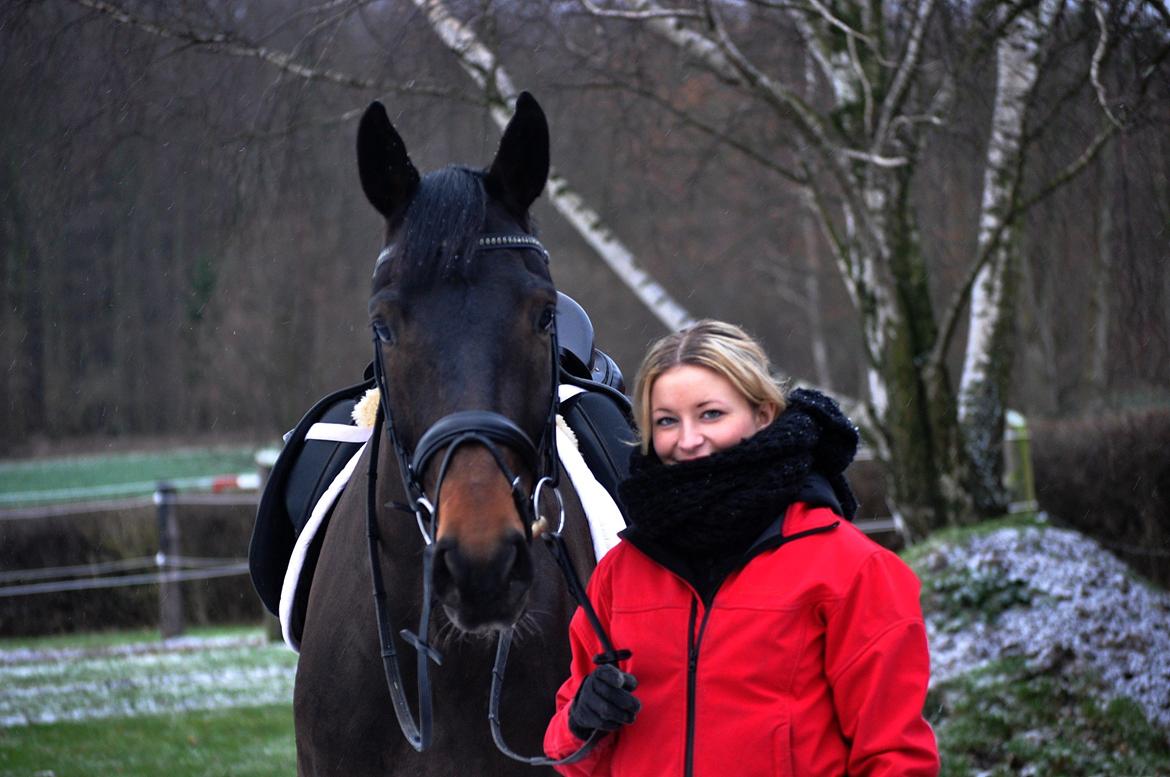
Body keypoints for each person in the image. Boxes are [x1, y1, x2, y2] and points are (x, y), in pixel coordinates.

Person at [543, 320, 939, 776]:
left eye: (711, 414)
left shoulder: (851, 569)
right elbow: (569, 756)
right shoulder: (621, 573)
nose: (688, 440)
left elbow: (895, 758)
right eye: (667, 421)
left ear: (763, 414)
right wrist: (581, 722)